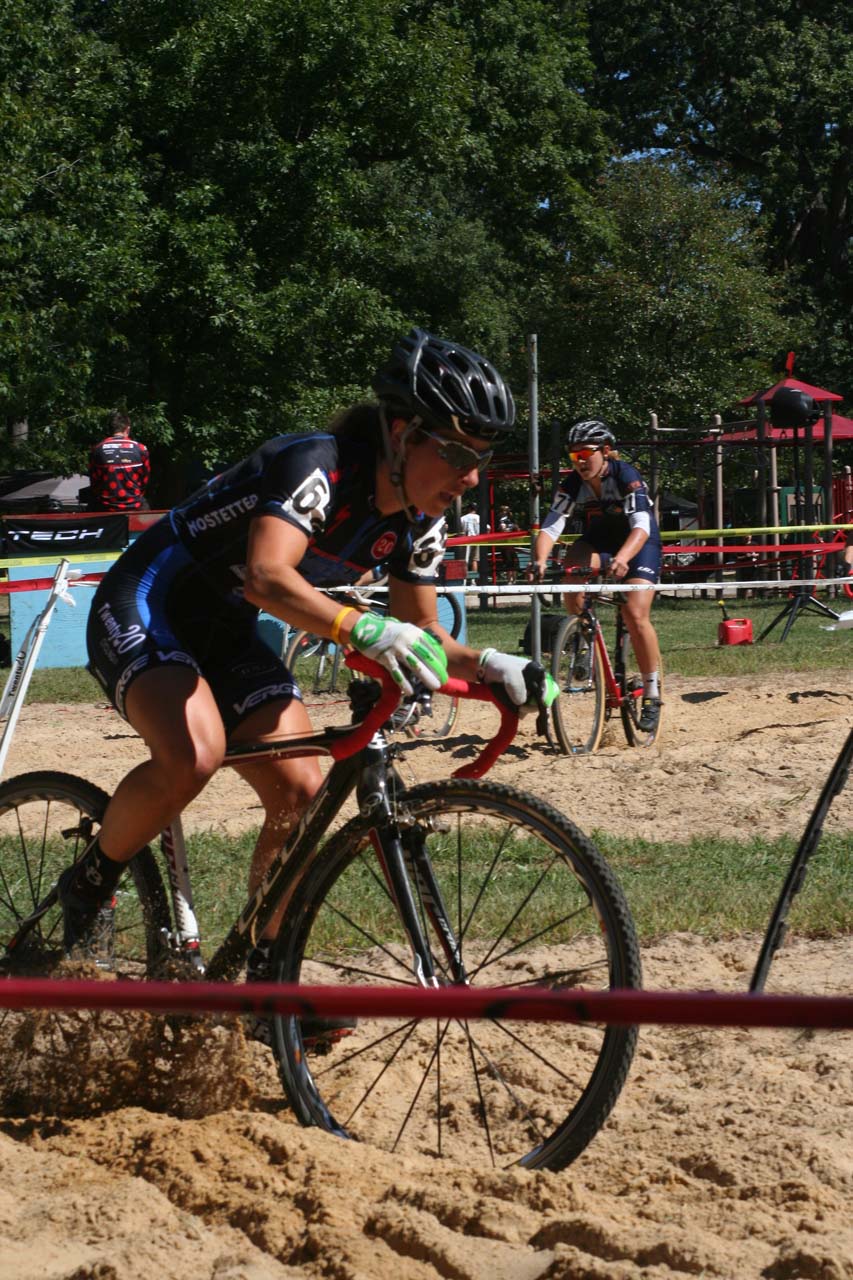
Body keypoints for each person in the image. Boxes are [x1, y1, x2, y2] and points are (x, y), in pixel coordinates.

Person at [62, 327, 557, 1042]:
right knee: (193, 754)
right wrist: (362, 628)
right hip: (150, 604)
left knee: (302, 792)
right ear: (399, 432)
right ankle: (90, 883)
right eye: (454, 453)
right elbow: (267, 575)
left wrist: (488, 665)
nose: (470, 477)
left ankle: (267, 982)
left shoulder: (421, 518)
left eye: (482, 459)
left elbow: (427, 632)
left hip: (229, 631)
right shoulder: (315, 465)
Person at [530, 417, 663, 733]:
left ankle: (652, 693)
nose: (578, 462)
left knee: (634, 612)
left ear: (605, 451)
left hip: (638, 543)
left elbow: (642, 526)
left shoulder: (626, 475)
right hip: (601, 540)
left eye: (585, 454)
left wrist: (623, 558)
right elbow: (551, 525)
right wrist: (538, 560)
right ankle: (586, 642)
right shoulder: (573, 482)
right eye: (572, 456)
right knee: (571, 575)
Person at [87, 410, 151, 512]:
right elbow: (144, 480)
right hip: (135, 505)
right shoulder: (141, 449)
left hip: (106, 507)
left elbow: (94, 482)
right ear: (127, 429)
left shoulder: (97, 449)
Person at [498, 505, 520, 583]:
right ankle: (510, 580)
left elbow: (517, 529)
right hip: (507, 545)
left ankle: (512, 579)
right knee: (510, 562)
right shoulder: (504, 521)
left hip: (509, 545)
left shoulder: (508, 521)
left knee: (512, 562)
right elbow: (502, 531)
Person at [460, 506, 481, 574]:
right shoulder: (479, 517)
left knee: (464, 559)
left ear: (468, 509)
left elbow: (460, 530)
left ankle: (463, 578)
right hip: (476, 539)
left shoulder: (463, 518)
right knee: (474, 560)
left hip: (465, 540)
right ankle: (473, 580)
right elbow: (488, 528)